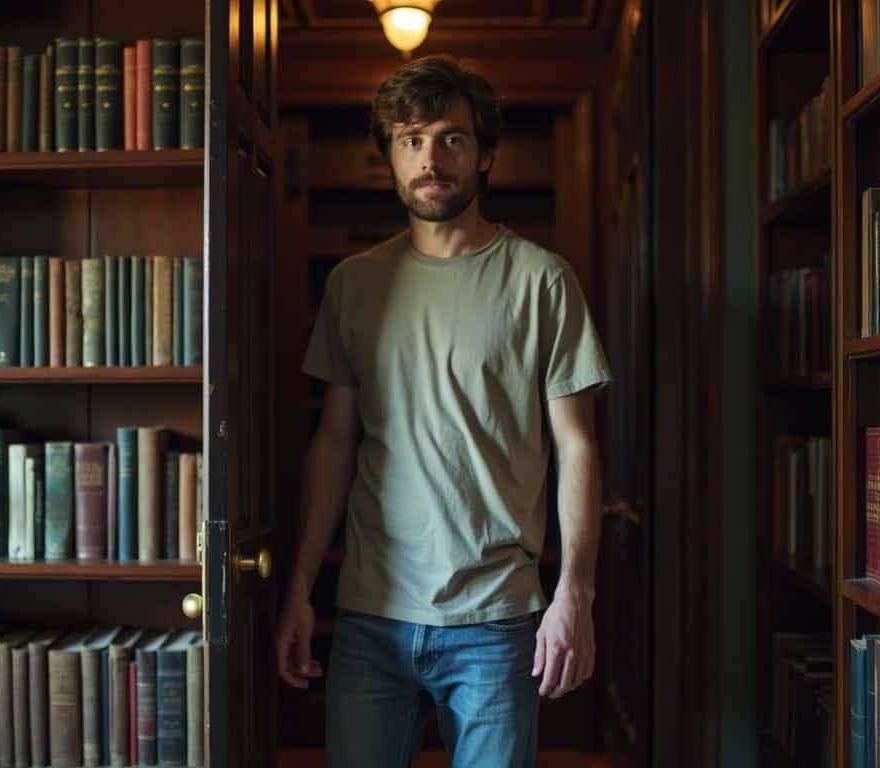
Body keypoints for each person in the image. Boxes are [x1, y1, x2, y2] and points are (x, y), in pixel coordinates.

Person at [275, 56, 612, 768]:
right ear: (390, 158)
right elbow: (334, 444)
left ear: (485, 153)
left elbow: (576, 447)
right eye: (410, 139)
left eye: (452, 139)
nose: (431, 158)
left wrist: (573, 595)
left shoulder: (542, 280)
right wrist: (300, 586)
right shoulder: (353, 285)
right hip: (370, 615)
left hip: (496, 620)